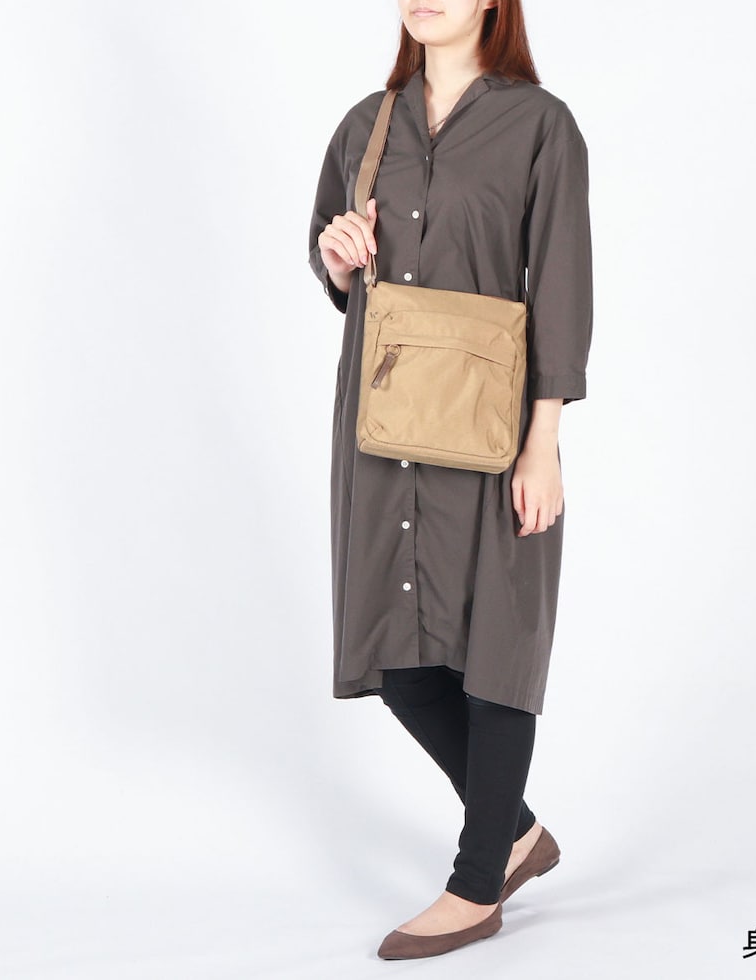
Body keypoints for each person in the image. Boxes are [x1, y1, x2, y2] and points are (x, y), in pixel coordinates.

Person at [307, 0, 593, 960]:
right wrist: (338, 259)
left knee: (497, 641)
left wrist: (544, 442)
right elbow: (335, 265)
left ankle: (478, 884)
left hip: (494, 425)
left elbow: (561, 285)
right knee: (401, 660)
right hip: (385, 423)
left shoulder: (541, 125)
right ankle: (517, 833)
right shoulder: (365, 125)